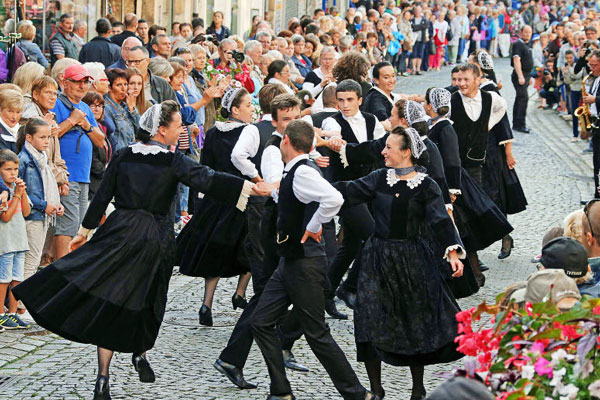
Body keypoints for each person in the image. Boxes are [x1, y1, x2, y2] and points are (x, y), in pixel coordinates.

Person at [13, 101, 262, 400]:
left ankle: (103, 377)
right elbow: (208, 179)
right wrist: (249, 188)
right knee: (149, 298)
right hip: (155, 237)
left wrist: (85, 231)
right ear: (161, 129)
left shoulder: (123, 155)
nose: (182, 129)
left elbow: (103, 195)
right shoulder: (173, 161)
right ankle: (140, 353)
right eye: (177, 124)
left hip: (119, 231)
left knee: (109, 297)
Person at [333, 126, 465, 400]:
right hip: (376, 258)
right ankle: (377, 389)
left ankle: (417, 388)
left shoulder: (426, 186)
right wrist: (310, 184)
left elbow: (440, 220)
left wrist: (452, 252)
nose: (383, 151)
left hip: (412, 259)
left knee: (412, 318)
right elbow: (349, 190)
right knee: (369, 318)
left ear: (406, 153)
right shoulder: (380, 178)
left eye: (389, 147)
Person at [251, 119, 379, 400]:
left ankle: (358, 394)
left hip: (305, 263)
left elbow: (333, 199)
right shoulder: (294, 171)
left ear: (286, 141)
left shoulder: (302, 172)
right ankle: (281, 391)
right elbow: (290, 194)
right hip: (289, 261)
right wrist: (268, 190)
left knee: (316, 333)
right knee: (260, 321)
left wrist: (314, 225)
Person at [176, 88, 255, 327]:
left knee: (215, 251)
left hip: (215, 198)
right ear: (235, 110)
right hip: (241, 197)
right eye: (249, 105)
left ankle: (206, 303)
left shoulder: (212, 132)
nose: (252, 109)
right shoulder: (249, 131)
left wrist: (203, 197)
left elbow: (205, 168)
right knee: (253, 246)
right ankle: (240, 292)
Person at [51, 64, 105, 260]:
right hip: (66, 175)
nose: (82, 86)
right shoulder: (56, 103)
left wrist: (86, 125)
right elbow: (48, 134)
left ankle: (73, 272)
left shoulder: (84, 107)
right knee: (67, 225)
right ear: (64, 82)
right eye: (77, 82)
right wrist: (72, 121)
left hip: (83, 175)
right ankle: (60, 274)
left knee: (80, 225)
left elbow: (100, 141)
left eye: (86, 82)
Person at [17, 119, 64, 292]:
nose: (46, 141)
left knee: (34, 260)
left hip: (42, 214)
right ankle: (19, 307)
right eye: (42, 137)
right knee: (30, 261)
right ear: (29, 138)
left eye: (48, 137)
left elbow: (46, 187)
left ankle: (19, 306)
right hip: (32, 216)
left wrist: (56, 204)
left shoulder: (42, 159)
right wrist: (44, 205)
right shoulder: (24, 160)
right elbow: (21, 191)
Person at [0, 149, 31, 330]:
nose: (13, 173)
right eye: (8, 169)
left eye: (15, 169)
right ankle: (1, 314)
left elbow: (26, 212)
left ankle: (12, 313)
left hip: (20, 240)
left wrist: (22, 193)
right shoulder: (3, 192)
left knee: (17, 278)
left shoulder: (15, 188)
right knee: (4, 279)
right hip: (6, 242)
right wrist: (17, 195)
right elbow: (6, 217)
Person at [81, 91, 113, 198]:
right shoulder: (84, 129)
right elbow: (92, 159)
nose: (97, 109)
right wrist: (109, 174)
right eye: (92, 105)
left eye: (100, 106)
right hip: (91, 184)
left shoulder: (101, 128)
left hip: (101, 183)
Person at [103, 68, 139, 151]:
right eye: (119, 85)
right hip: (118, 157)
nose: (123, 89)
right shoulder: (106, 107)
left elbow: (140, 130)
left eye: (125, 84)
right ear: (109, 87)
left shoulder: (126, 105)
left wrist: (132, 109)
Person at [361, 61, 398, 131]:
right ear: (376, 80)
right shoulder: (375, 98)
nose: (391, 80)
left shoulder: (387, 94)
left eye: (393, 76)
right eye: (386, 77)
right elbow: (385, 123)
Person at [583, 51, 600, 199]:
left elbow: (596, 98)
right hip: (596, 123)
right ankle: (597, 192)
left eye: (594, 65)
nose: (592, 68)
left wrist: (595, 99)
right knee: (596, 161)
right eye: (590, 65)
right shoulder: (595, 79)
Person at [511, 25, 534, 133]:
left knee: (520, 98)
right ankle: (520, 124)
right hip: (520, 75)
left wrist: (528, 76)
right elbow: (516, 60)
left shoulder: (526, 44)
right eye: (526, 32)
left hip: (526, 74)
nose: (528, 34)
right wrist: (520, 76)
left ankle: (517, 123)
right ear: (521, 33)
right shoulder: (518, 44)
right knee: (523, 99)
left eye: (530, 32)